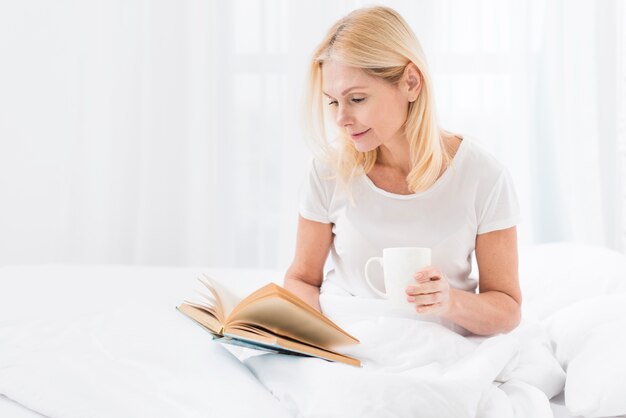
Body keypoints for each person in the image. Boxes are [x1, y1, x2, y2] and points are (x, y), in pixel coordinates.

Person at [284, 6, 522, 337]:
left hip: (440, 353)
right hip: (349, 351)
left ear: (410, 82)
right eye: (333, 102)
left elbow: (507, 309)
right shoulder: (328, 172)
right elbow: (301, 280)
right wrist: (318, 339)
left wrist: (450, 302)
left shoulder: (483, 176)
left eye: (356, 98)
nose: (341, 119)